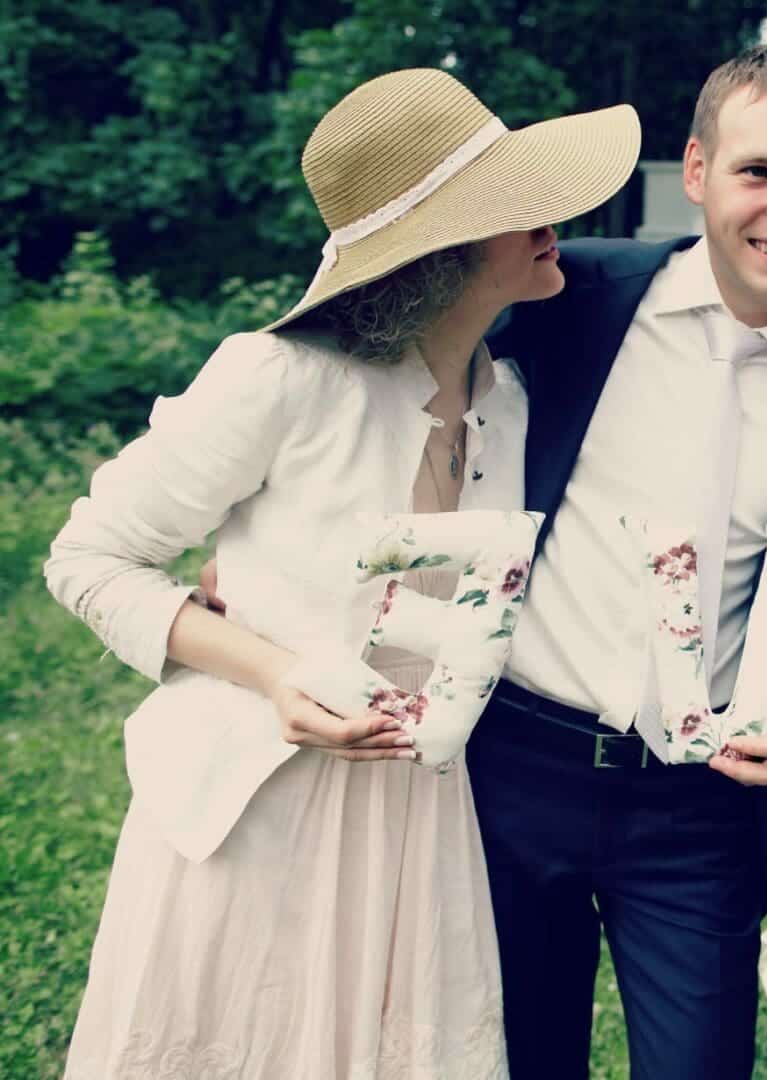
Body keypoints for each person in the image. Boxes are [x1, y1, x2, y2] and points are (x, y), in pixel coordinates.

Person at [44, 68, 640, 1078]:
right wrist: (276, 672)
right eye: (516, 204)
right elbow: (90, 558)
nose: (557, 219)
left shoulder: (512, 404)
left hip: (415, 815)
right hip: (259, 809)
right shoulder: (279, 379)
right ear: (442, 249)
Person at [468, 46, 767, 1079]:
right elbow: (412, 403)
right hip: (517, 767)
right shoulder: (572, 295)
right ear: (695, 171)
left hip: (700, 803)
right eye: (758, 172)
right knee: (523, 1059)